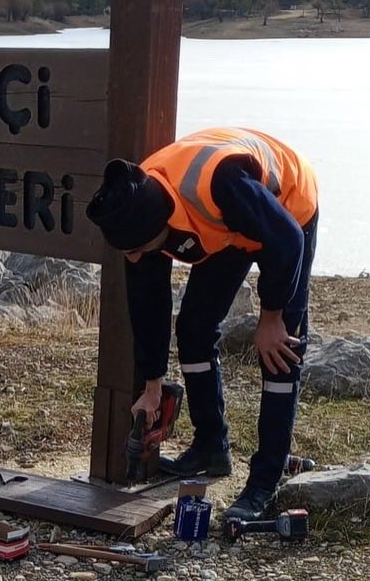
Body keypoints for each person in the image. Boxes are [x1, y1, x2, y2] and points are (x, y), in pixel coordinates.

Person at [86, 126, 318, 523]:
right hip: (227, 227)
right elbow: (149, 301)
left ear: (158, 233)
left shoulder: (220, 184)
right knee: (194, 327)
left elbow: (287, 240)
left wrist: (271, 317)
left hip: (287, 210)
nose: (136, 259)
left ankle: (266, 479)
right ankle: (212, 447)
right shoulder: (136, 203)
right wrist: (153, 385)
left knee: (281, 351)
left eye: (139, 250)